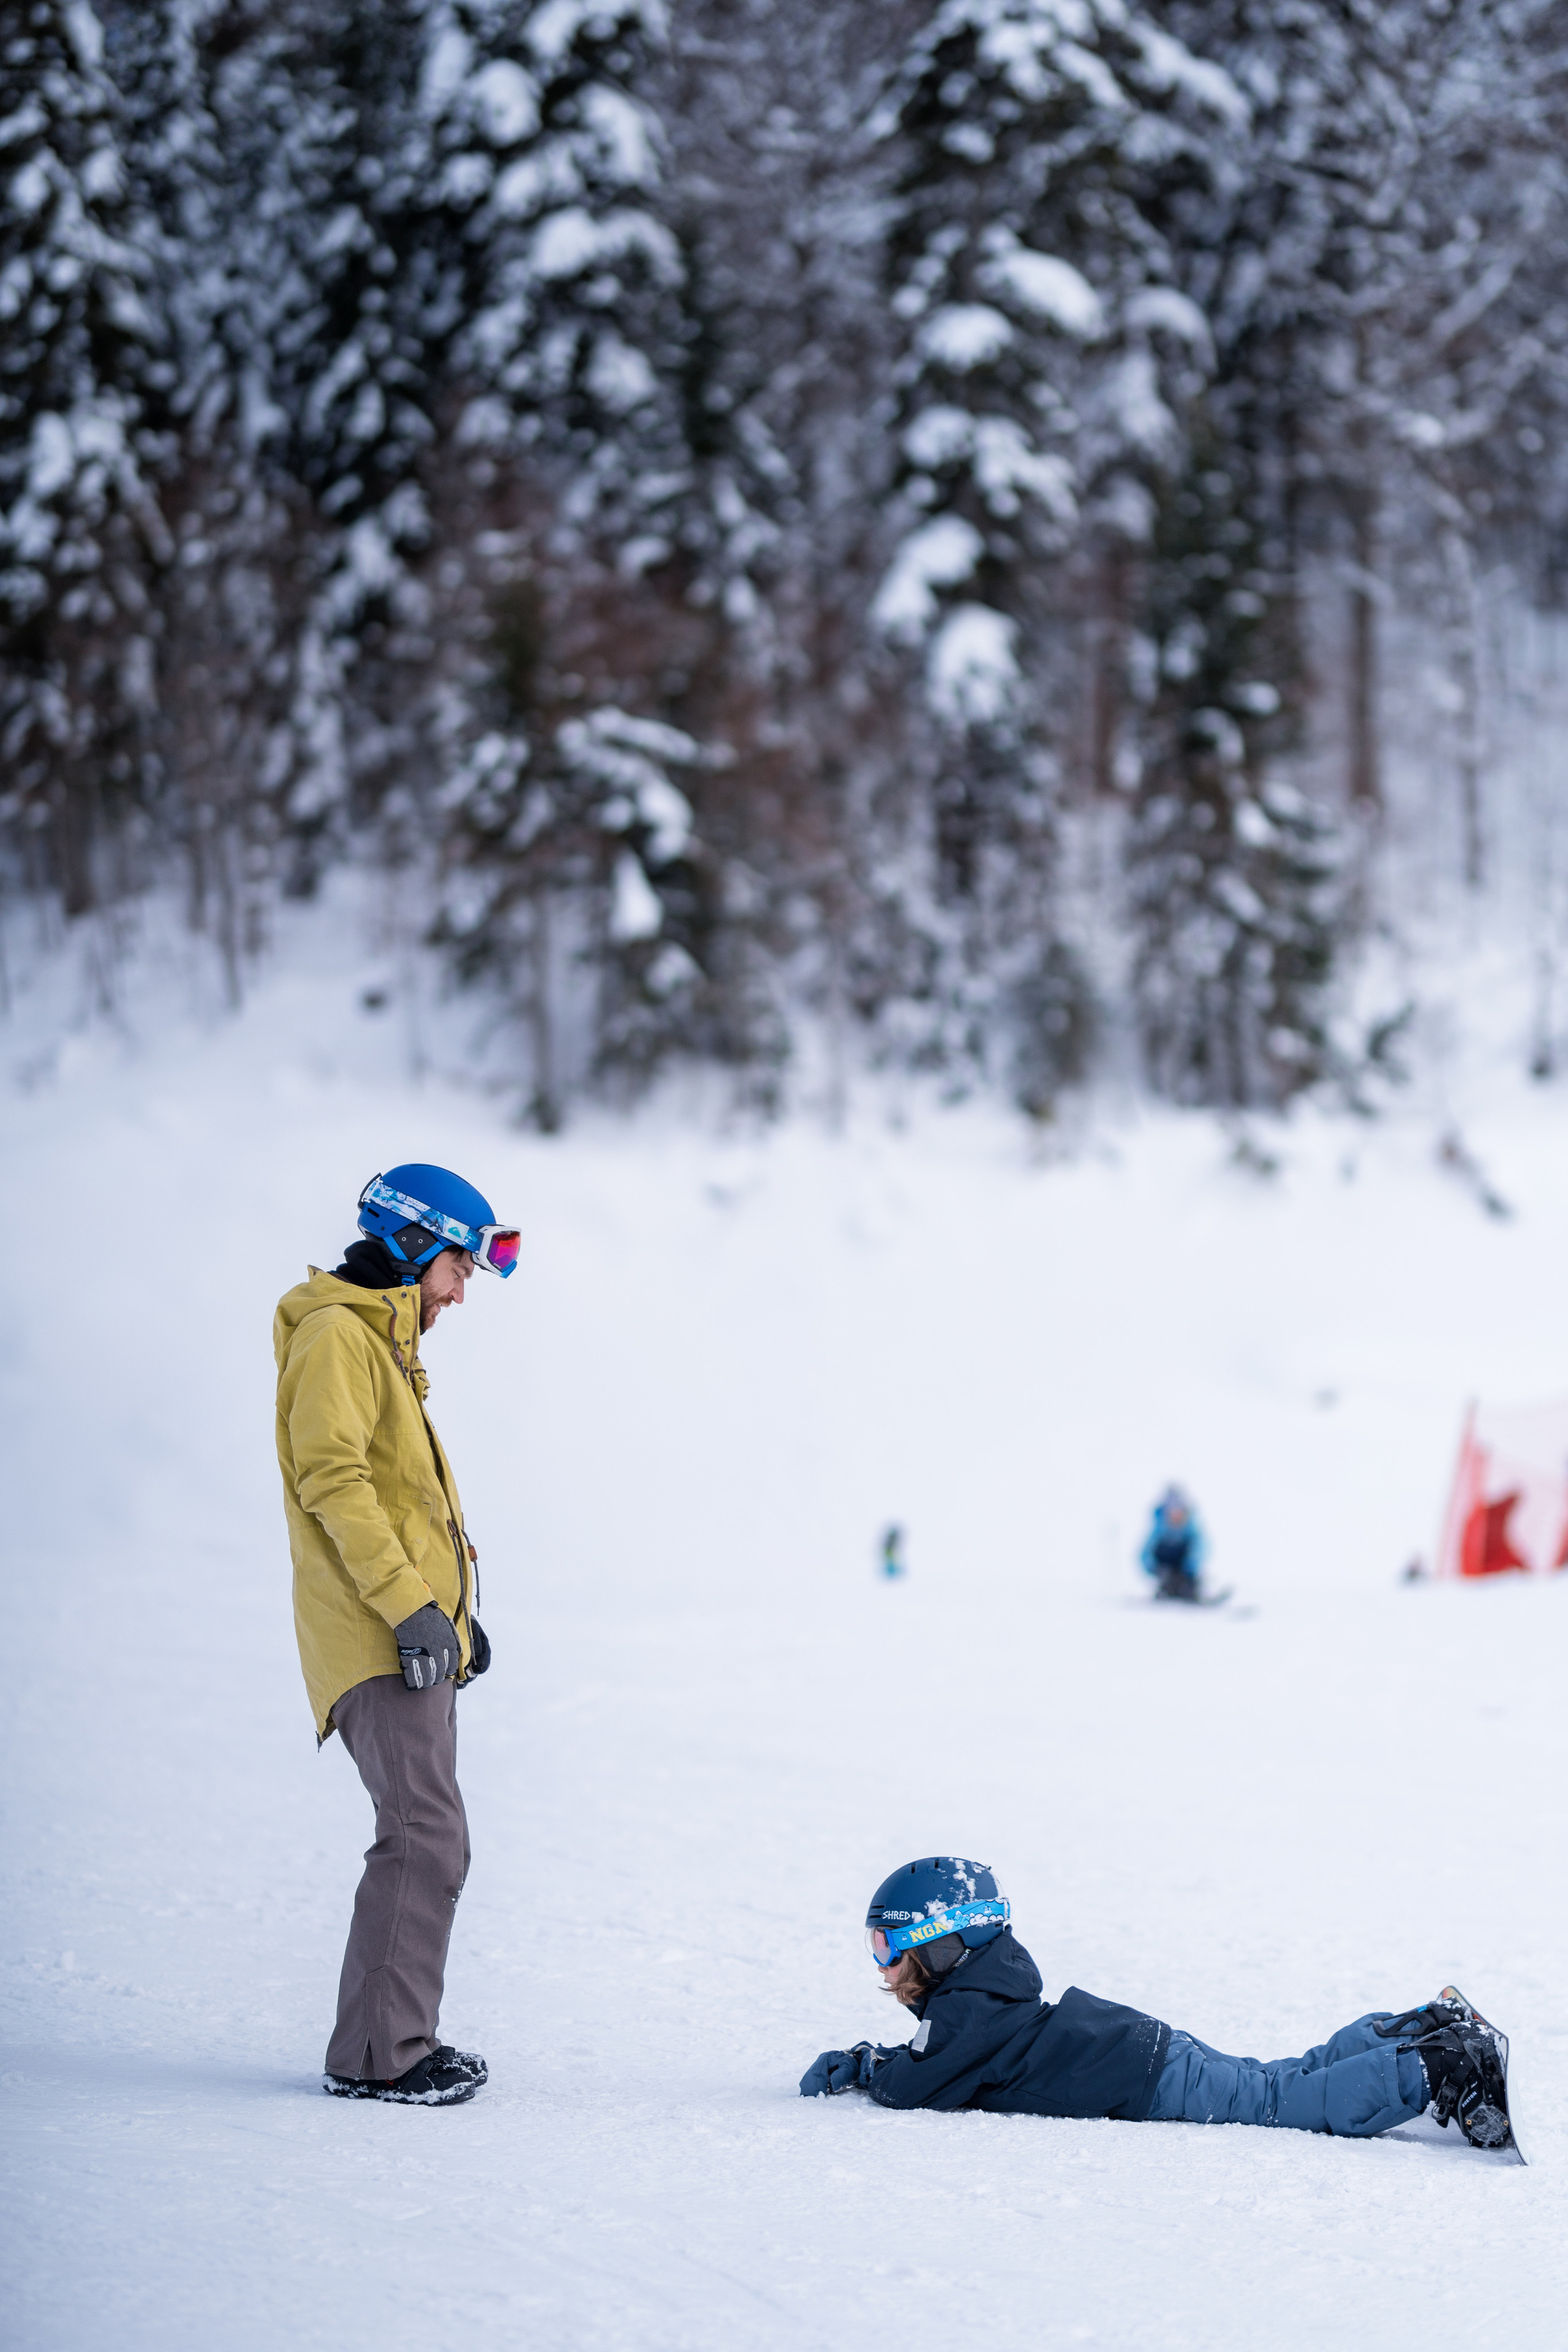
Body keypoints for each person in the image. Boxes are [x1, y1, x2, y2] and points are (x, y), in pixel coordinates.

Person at [274, 1164, 520, 2107]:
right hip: (377, 1633)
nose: (462, 1290)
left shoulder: (381, 1341)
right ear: (414, 1245)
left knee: (430, 1833)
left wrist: (452, 1615)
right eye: (459, 1266)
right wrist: (410, 1608)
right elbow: (333, 1483)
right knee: (424, 1835)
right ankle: (381, 2055)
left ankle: (391, 2041)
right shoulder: (340, 1336)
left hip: (407, 1629)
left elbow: (404, 1501)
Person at [799, 1857, 1516, 2152]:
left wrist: (866, 2067)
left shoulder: (960, 2015)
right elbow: (937, 2061)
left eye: (888, 1947)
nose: (883, 1967)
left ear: (941, 1945)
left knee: (1276, 2102)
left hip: (1142, 2075)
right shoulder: (987, 1990)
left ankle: (1431, 2068)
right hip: (1138, 2048)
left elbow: (915, 2085)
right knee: (1277, 2077)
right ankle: (1411, 2030)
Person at [1140, 1483, 1207, 1602]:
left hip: (1185, 1569)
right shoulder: (1159, 1530)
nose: (1176, 1515)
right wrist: (1155, 1569)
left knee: (1190, 1582)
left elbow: (1201, 1549)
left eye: (1179, 1511)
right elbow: (1146, 1553)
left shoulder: (1191, 1529)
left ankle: (1190, 1591)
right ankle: (1167, 1589)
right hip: (1166, 1570)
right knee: (1168, 1578)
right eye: (1173, 1511)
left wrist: (1191, 1567)